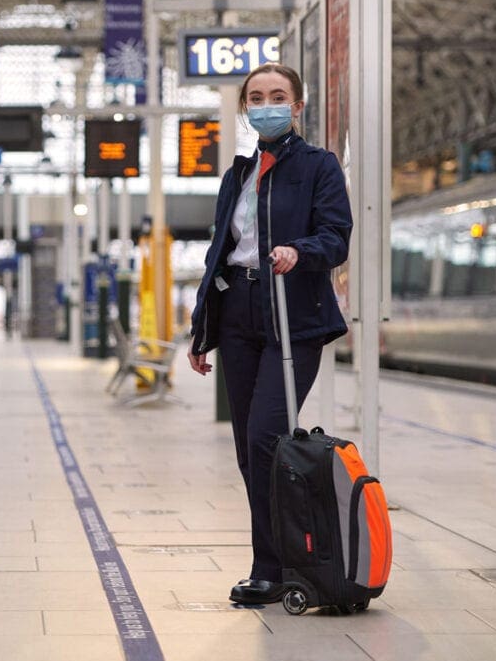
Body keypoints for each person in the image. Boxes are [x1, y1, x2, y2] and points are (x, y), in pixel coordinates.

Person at [186, 63, 352, 605]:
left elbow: (335, 237)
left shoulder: (319, 167)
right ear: (246, 109)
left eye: (277, 96)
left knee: (266, 437)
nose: (266, 104)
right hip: (238, 314)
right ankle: (274, 560)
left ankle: (275, 566)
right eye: (256, 97)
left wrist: (298, 251)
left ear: (297, 106)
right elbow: (218, 254)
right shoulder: (237, 173)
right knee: (247, 447)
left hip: (292, 313)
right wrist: (200, 329)